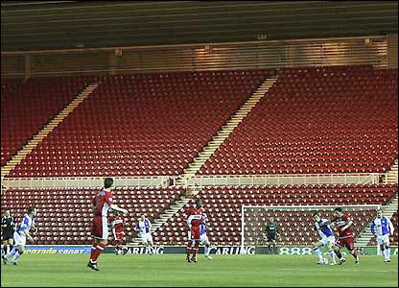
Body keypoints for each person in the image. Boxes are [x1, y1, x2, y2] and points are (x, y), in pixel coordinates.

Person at [87, 177, 128, 271]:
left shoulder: (99, 194)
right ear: (112, 185)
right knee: (104, 241)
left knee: (96, 241)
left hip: (95, 218)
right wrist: (123, 210)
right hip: (102, 218)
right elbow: (112, 206)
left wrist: (96, 212)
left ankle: (91, 260)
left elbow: (92, 205)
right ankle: (92, 261)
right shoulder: (107, 194)